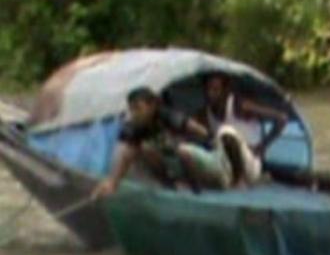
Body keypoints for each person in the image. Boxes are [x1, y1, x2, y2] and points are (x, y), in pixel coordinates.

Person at [92, 87, 233, 198]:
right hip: (173, 163)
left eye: (138, 108)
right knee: (145, 149)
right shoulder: (134, 127)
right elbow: (127, 154)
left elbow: (197, 129)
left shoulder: (167, 116)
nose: (135, 113)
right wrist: (112, 183)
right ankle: (169, 185)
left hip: (198, 159)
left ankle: (196, 189)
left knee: (183, 152)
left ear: (152, 106)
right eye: (132, 109)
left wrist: (210, 141)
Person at [196, 72, 289, 187]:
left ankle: (240, 180)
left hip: (250, 163)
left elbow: (281, 119)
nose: (211, 94)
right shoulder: (204, 114)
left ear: (225, 91)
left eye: (215, 90)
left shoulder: (240, 106)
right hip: (224, 163)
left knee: (225, 131)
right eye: (208, 89)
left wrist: (261, 147)